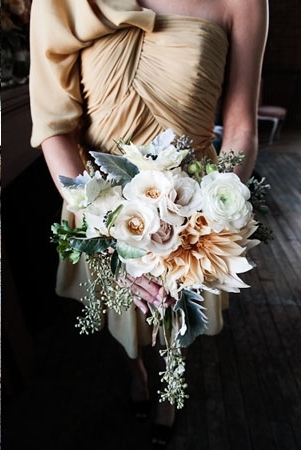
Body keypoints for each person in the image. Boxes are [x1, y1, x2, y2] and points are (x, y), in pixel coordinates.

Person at [29, 0, 268, 447]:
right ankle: (135, 372)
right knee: (123, 315)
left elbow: (240, 129)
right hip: (97, 205)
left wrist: (198, 225)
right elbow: (54, 126)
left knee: (173, 317)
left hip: (192, 208)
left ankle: (167, 392)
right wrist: (113, 226)